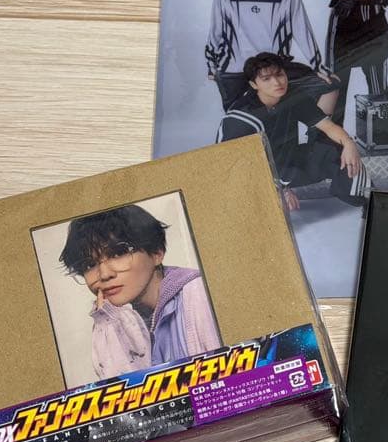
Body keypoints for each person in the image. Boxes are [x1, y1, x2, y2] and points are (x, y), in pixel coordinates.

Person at [59, 204, 221, 381]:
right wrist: (110, 324)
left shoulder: (200, 295)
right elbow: (129, 393)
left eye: (118, 253)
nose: (104, 274)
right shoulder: (112, 320)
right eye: (89, 265)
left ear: (157, 253)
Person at [217, 52, 368, 212]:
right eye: (266, 79)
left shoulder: (292, 96)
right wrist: (277, 189)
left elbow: (327, 126)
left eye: (279, 75)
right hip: (256, 176)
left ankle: (362, 201)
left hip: (289, 163)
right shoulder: (241, 118)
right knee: (264, 206)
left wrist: (349, 143)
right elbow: (230, 167)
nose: (276, 82)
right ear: (254, 84)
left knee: (339, 152)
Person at [205, 0, 331, 110]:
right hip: (233, 70)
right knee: (238, 119)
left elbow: (303, 32)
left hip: (272, 71)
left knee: (276, 115)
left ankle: (311, 126)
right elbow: (216, 30)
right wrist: (211, 65)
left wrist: (317, 66)